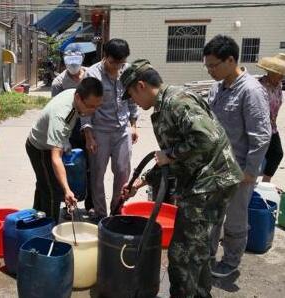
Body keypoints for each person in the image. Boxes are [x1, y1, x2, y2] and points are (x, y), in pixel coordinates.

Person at [120, 59, 243, 298]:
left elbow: (205, 139)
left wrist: (170, 154)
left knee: (182, 255)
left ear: (141, 86)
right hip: (208, 181)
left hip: (210, 182)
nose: (133, 102)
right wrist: (141, 181)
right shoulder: (166, 104)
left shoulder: (177, 103)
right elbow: (175, 160)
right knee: (197, 251)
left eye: (131, 95)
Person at [203, 35, 271, 277]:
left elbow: (261, 137)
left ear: (231, 60)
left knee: (234, 219)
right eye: (207, 66)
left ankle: (230, 262)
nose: (210, 70)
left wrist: (250, 171)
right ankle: (207, 255)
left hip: (240, 170)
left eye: (214, 65)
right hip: (216, 166)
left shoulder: (251, 91)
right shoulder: (217, 88)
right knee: (212, 216)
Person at [26, 77, 103, 223]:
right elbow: (56, 157)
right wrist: (67, 190)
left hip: (49, 143)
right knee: (53, 190)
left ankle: (37, 218)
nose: (94, 111)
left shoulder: (75, 96)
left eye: (97, 106)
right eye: (91, 106)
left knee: (44, 184)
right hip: (39, 148)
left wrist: (65, 141)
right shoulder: (62, 115)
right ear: (79, 98)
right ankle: (49, 229)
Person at [81, 39, 139, 221]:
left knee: (123, 171)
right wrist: (89, 136)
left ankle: (116, 210)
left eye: (120, 63)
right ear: (105, 57)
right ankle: (100, 214)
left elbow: (132, 99)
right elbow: (84, 107)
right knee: (98, 174)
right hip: (99, 131)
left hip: (122, 130)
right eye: (113, 62)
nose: (117, 67)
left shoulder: (127, 71)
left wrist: (134, 125)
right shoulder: (92, 74)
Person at [51, 51, 93, 216]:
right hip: (70, 126)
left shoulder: (91, 75)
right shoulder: (58, 83)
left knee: (91, 168)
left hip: (90, 125)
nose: (73, 66)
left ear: (82, 60)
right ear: (64, 62)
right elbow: (57, 111)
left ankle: (91, 205)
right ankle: (70, 205)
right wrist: (64, 139)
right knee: (69, 167)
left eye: (76, 62)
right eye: (70, 62)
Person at [256, 55, 285, 183]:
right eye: (280, 73)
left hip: (272, 127)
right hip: (258, 128)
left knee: (277, 154)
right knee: (254, 157)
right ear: (271, 72)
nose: (282, 76)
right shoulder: (259, 87)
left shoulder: (278, 86)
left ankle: (266, 183)